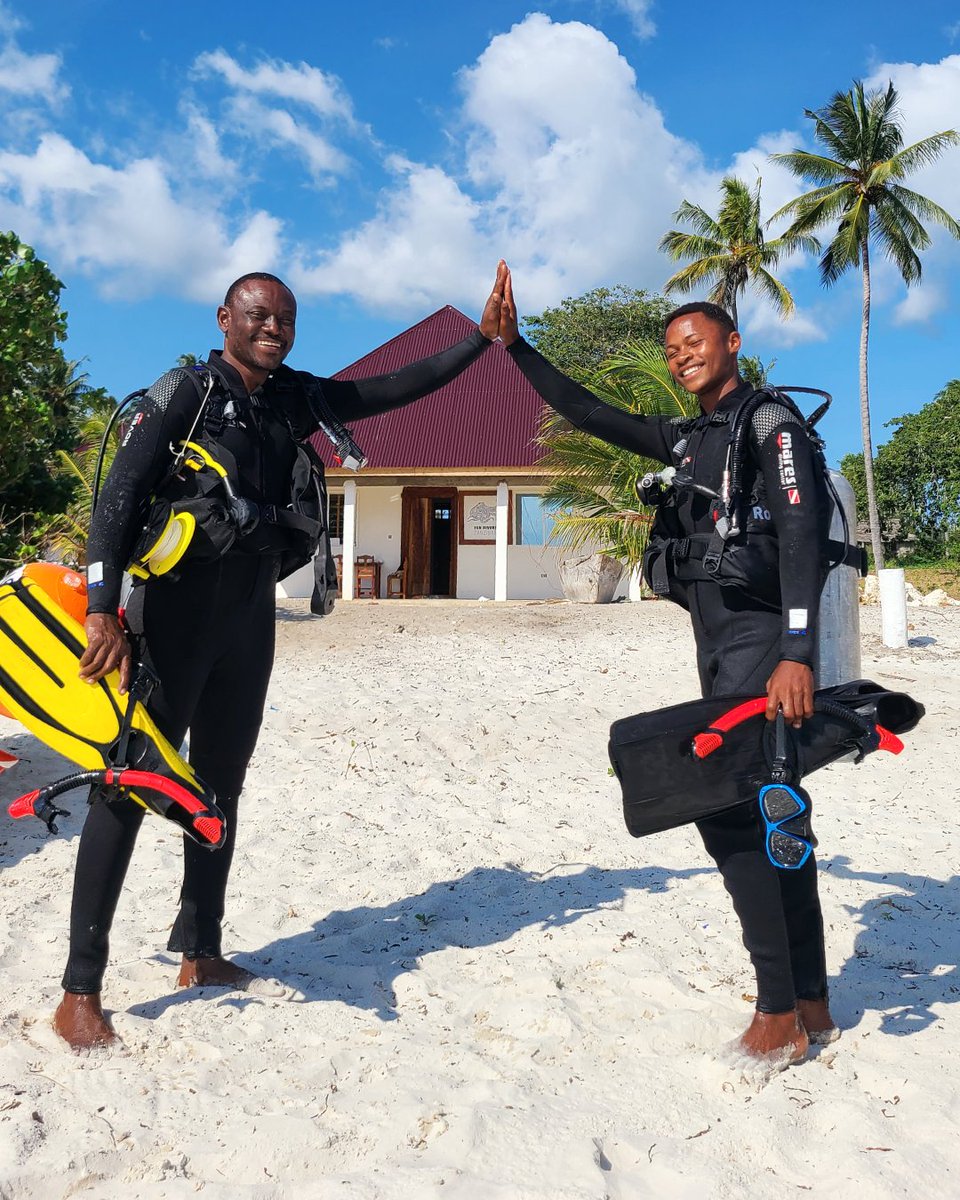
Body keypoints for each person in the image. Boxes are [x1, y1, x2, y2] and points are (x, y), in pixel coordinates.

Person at [54, 264, 508, 1051]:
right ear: (224, 316)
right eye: (260, 316)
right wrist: (101, 610)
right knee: (127, 783)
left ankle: (200, 950)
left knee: (221, 784)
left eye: (286, 319)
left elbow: (389, 391)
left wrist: (478, 341)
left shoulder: (294, 398)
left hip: (249, 623)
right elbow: (117, 497)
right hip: (168, 620)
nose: (274, 329)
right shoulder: (183, 394)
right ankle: (79, 989)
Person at [497, 267, 836, 1063]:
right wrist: (517, 349)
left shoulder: (771, 424)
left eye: (696, 342)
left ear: (732, 344)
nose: (683, 356)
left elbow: (802, 535)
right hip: (718, 645)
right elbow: (588, 411)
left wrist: (797, 652)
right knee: (776, 810)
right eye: (673, 348)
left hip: (762, 643)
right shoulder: (691, 438)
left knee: (727, 808)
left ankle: (779, 1008)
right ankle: (812, 998)